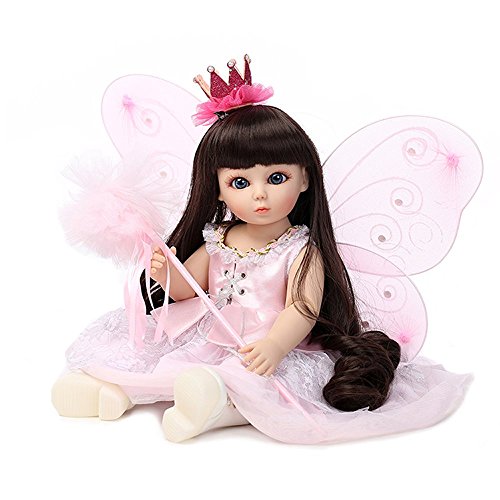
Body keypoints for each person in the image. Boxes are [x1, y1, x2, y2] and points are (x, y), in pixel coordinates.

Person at [52, 58, 472, 445]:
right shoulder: (218, 238)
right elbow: (188, 291)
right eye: (240, 182)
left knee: (249, 382)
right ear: (217, 188)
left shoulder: (300, 250)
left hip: (263, 343)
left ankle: (213, 409)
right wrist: (166, 273)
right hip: (209, 335)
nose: (260, 195)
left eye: (276, 178)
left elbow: (302, 308)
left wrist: (274, 345)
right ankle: (117, 392)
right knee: (162, 361)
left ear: (305, 179)